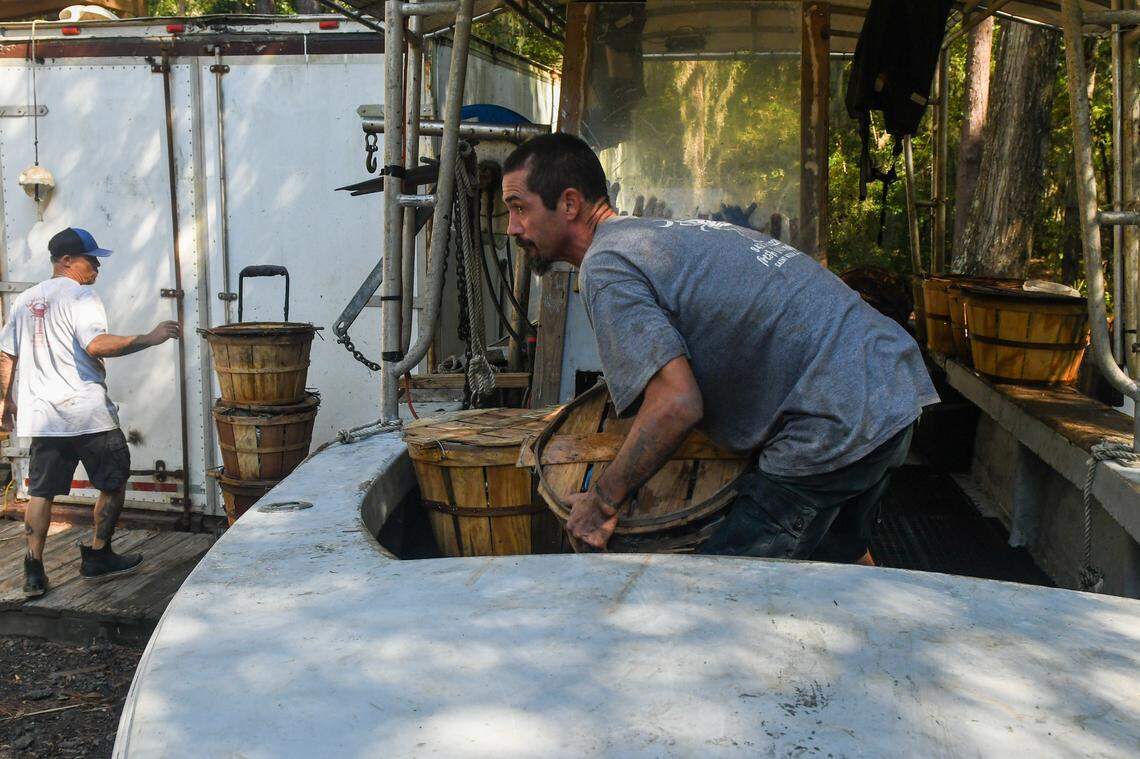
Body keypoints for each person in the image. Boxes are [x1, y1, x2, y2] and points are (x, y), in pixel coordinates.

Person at [501, 133, 938, 558]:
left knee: (726, 588)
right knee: (838, 559)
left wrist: (601, 503)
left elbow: (676, 404)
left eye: (519, 208)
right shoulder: (655, 234)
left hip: (834, 419)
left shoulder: (606, 265)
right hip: (893, 387)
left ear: (570, 204)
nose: (512, 227)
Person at [0, 228, 181, 598]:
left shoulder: (25, 300)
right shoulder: (81, 296)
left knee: (41, 493)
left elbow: (6, 355)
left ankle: (33, 570)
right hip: (88, 415)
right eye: (91, 258)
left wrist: (5, 402)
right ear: (66, 260)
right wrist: (150, 337)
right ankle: (99, 555)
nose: (97, 266)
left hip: (44, 417)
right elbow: (96, 344)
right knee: (113, 482)